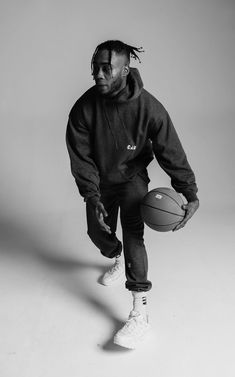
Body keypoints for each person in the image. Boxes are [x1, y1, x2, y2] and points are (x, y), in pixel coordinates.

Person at [66, 40, 199, 349]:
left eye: (105, 68)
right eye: (95, 67)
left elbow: (171, 150)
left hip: (131, 179)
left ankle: (140, 312)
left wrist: (188, 191)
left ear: (124, 70)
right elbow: (81, 157)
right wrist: (92, 195)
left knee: (134, 234)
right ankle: (114, 256)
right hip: (99, 181)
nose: (97, 74)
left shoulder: (149, 107)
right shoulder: (84, 108)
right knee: (98, 233)